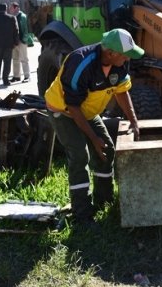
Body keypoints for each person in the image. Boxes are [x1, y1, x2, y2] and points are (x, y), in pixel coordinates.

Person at [45, 28, 143, 224]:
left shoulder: (119, 65)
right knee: (80, 155)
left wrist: (134, 120)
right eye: (125, 55)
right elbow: (72, 106)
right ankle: (82, 214)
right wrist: (93, 137)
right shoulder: (80, 63)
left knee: (106, 148)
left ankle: (103, 200)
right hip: (64, 111)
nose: (127, 59)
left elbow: (121, 91)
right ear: (111, 53)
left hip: (87, 111)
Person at [8, 2, 31, 83]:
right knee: (15, 59)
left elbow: (26, 30)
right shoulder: (13, 16)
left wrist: (24, 40)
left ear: (16, 8)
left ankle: (27, 76)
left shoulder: (22, 16)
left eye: (11, 8)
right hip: (14, 42)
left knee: (24, 59)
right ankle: (16, 76)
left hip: (21, 41)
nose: (9, 10)